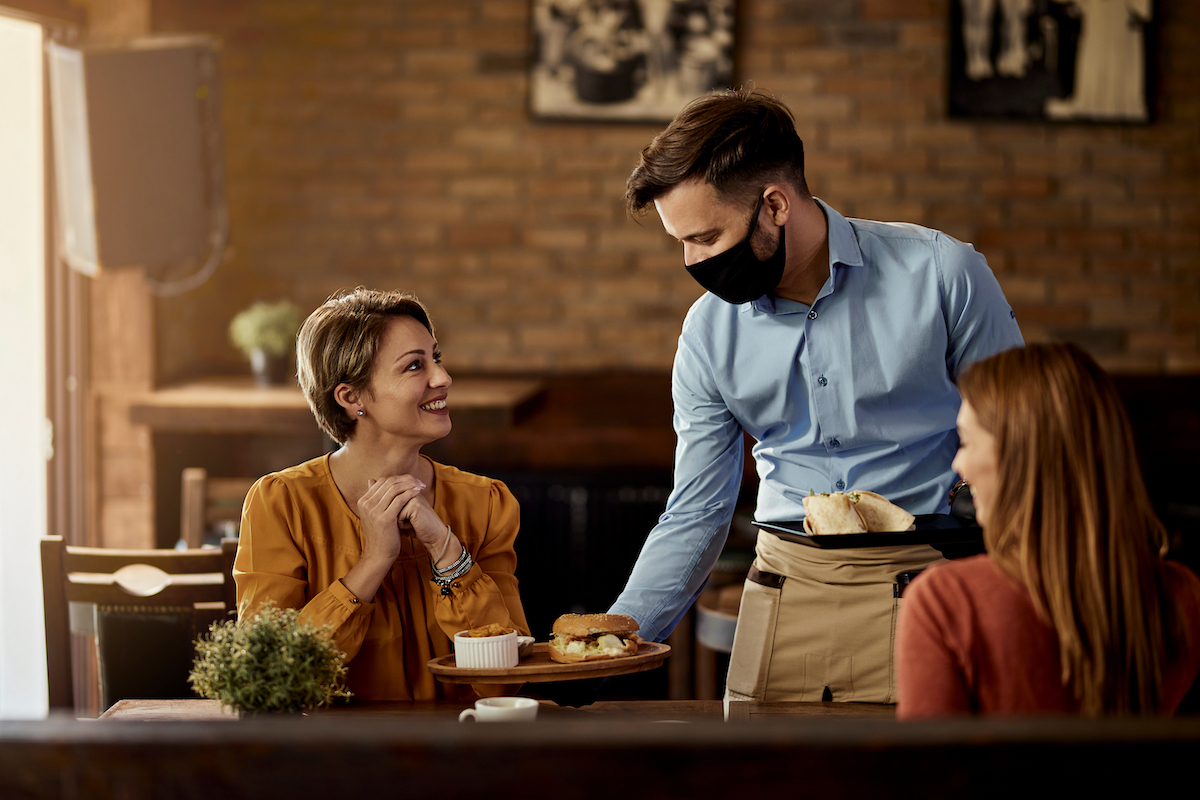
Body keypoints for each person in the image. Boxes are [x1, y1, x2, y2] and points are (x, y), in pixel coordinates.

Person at [606, 86, 1024, 703]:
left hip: (934, 582)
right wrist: (611, 640)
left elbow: (1028, 449)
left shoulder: (943, 274)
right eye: (681, 243)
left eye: (705, 237)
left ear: (774, 204)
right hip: (782, 588)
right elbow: (697, 507)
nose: (692, 262)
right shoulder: (706, 332)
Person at [233, 288, 530, 702]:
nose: (443, 378)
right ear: (351, 398)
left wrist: (446, 551)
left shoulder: (485, 503)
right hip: (333, 760)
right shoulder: (281, 503)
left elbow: (504, 680)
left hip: (460, 753)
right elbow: (270, 681)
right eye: (414, 366)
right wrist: (373, 561)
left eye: (436, 358)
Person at [896, 343, 1200, 717]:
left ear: (1020, 458)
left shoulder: (945, 604)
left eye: (967, 442)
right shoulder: (1182, 598)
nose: (959, 464)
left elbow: (924, 774)